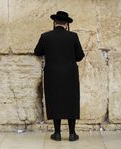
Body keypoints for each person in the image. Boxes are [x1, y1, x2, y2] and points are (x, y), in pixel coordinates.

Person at [34, 11, 85, 141]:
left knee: (55, 100)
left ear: (54, 22)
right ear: (66, 24)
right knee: (71, 101)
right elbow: (80, 56)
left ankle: (57, 133)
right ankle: (72, 133)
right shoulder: (73, 36)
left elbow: (37, 51)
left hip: (52, 74)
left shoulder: (46, 36)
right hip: (70, 74)